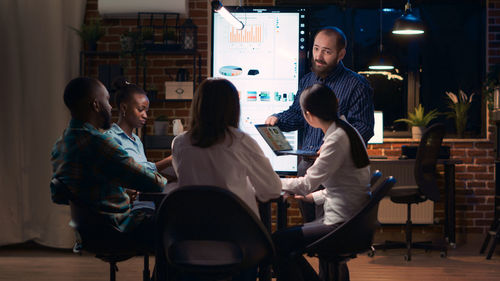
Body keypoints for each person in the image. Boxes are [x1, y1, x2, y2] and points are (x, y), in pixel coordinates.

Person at [265, 26, 374, 223]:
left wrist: (335, 143)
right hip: (307, 164)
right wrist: (278, 120)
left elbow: (364, 127)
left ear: (341, 54)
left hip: (338, 166)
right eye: (316, 49)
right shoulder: (307, 80)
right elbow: (298, 115)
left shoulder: (357, 84)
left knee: (330, 229)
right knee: (311, 227)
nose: (319, 56)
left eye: (327, 51)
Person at [50, 77, 167, 251]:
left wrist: (119, 190)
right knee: (174, 219)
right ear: (96, 105)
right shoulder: (97, 143)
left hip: (89, 232)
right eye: (106, 100)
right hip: (116, 229)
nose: (111, 107)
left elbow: (58, 195)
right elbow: (154, 184)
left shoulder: (61, 143)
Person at [272, 83, 371, 281]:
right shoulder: (348, 131)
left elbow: (306, 183)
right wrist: (314, 198)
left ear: (308, 115)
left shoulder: (335, 139)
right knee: (284, 243)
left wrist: (273, 181)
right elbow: (350, 183)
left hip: (339, 224)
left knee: (277, 242)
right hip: (352, 221)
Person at [172, 78, 282, 217]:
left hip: (192, 229)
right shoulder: (241, 141)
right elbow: (272, 189)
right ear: (233, 107)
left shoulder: (179, 143)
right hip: (236, 230)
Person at [105, 78, 174, 207]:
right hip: (130, 210)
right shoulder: (111, 139)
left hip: (145, 204)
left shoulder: (136, 140)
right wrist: (168, 161)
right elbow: (134, 173)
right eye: (140, 109)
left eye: (146, 111)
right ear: (124, 108)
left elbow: (144, 174)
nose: (145, 115)